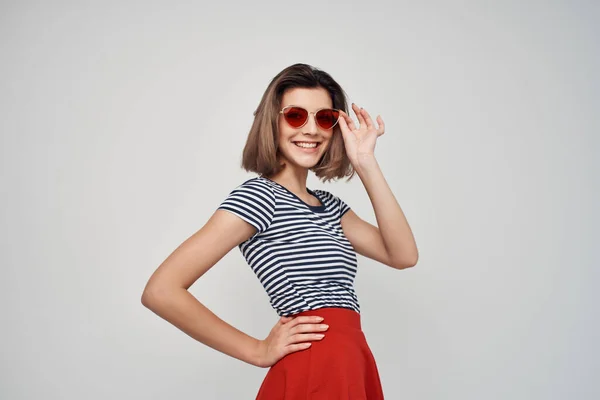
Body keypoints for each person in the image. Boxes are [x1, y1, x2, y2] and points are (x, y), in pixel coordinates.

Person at [141, 63, 419, 399]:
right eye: (296, 116)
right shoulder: (259, 197)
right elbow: (161, 291)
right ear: (272, 121)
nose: (312, 129)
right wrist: (256, 350)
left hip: (350, 360)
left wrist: (364, 162)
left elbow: (403, 255)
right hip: (315, 363)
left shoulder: (329, 206)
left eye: (325, 118)